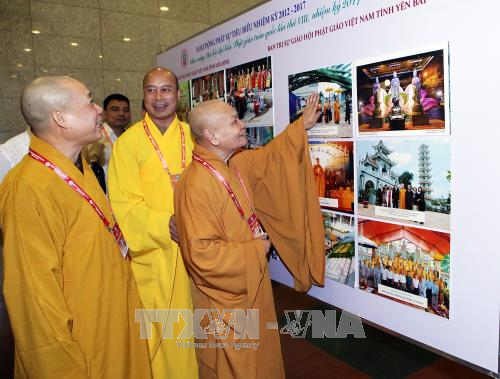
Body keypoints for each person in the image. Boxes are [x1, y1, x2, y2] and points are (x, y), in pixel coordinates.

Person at [0, 76, 151, 378]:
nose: (99, 110)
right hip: (81, 345)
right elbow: (35, 302)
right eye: (90, 101)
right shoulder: (29, 188)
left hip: (110, 323)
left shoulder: (78, 166)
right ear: (60, 117)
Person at [174, 93, 325, 379]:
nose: (243, 124)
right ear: (212, 136)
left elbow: (271, 157)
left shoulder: (234, 163)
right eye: (234, 122)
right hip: (225, 298)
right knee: (236, 367)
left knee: (259, 362)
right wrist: (257, 249)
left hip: (249, 289)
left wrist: (299, 127)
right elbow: (202, 256)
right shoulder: (196, 184)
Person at [107, 67, 197, 378]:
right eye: (151, 90)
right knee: (160, 331)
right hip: (153, 253)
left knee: (199, 327)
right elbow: (123, 204)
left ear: (178, 94)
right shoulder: (128, 143)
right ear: (143, 96)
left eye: (166, 90)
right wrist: (164, 224)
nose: (159, 98)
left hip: (195, 249)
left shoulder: (194, 135)